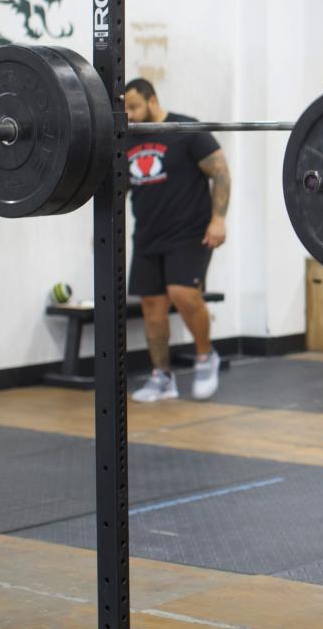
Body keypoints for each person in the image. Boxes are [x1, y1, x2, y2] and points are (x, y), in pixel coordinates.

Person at [124, 79, 228, 403]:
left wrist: (219, 219)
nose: (127, 114)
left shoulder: (186, 130)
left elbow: (221, 173)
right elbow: (123, 186)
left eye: (133, 106)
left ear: (152, 101)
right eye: (124, 108)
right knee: (152, 309)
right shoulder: (125, 139)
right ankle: (162, 377)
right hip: (147, 235)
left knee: (183, 293)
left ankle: (204, 356)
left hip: (189, 232)